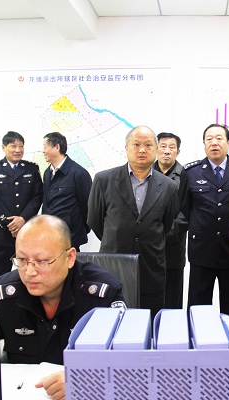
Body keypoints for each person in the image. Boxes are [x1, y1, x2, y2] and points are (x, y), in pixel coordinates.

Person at [0, 215, 125, 400]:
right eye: (22, 260)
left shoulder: (102, 295)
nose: (29, 272)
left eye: (42, 261)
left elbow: (130, 366)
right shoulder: (3, 294)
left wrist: (85, 380)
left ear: (70, 257)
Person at [88, 125, 178, 317]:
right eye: (136, 144)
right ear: (126, 148)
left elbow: (166, 223)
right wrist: (117, 237)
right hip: (114, 263)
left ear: (155, 149)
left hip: (151, 267)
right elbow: (95, 220)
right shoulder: (104, 180)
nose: (142, 149)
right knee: (112, 321)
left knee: (149, 321)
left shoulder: (169, 186)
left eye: (148, 145)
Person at [180, 123, 229, 352]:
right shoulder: (191, 172)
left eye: (219, 138)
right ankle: (195, 352)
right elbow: (184, 210)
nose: (214, 143)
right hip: (201, 251)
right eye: (209, 139)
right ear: (203, 144)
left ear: (228, 143)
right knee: (198, 305)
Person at [0, 131, 43, 280]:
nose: (18, 150)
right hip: (1, 232)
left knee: (29, 275)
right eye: (13, 146)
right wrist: (10, 223)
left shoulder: (31, 169)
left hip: (26, 231)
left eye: (21, 146)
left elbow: (37, 196)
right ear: (3, 147)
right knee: (0, 276)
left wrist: (22, 219)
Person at [153, 132, 188, 309]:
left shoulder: (186, 176)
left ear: (178, 152)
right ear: (156, 149)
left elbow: (185, 212)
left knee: (172, 299)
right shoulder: (145, 173)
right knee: (149, 296)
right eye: (163, 146)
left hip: (173, 246)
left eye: (171, 147)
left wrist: (162, 234)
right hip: (148, 246)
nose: (167, 151)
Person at [42, 131, 92, 251]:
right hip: (50, 235)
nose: (43, 151)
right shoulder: (47, 173)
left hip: (70, 236)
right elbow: (46, 203)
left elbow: (87, 206)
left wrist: (81, 229)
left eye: (45, 147)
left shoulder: (78, 173)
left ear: (56, 147)